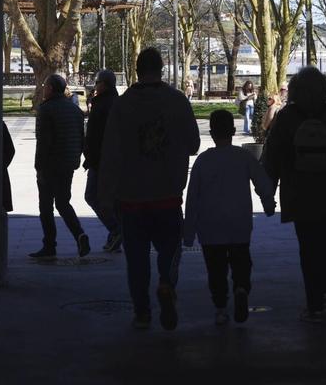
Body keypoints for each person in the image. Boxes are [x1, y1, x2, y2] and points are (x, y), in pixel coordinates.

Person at [98, 48, 201, 331]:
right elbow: (193, 144)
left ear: (137, 69)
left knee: (137, 258)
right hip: (167, 194)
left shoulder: (123, 105)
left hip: (131, 196)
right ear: (163, 68)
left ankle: (142, 312)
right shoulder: (177, 101)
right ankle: (167, 283)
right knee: (169, 249)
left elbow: (110, 153)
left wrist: (105, 194)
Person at [262, 66, 326, 322]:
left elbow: (272, 156)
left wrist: (267, 192)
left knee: (306, 244)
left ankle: (313, 300)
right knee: (324, 237)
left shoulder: (286, 118)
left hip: (297, 189)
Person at [183, 110, 276, 326]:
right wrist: (269, 205)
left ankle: (221, 308)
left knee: (216, 270)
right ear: (233, 131)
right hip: (239, 223)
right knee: (241, 262)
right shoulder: (243, 157)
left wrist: (189, 233)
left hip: (210, 227)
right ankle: (241, 288)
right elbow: (263, 183)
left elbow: (192, 199)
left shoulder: (203, 162)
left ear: (211, 132)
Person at [30, 74, 91, 259]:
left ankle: (49, 245)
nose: (43, 89)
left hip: (49, 165)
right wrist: (75, 158)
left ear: (50, 88)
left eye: (45, 86)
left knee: (46, 206)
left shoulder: (46, 110)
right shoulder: (74, 110)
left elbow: (44, 142)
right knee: (63, 203)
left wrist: (38, 166)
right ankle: (79, 234)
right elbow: (81, 138)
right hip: (67, 163)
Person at [83, 69, 123, 252]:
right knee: (112, 200)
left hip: (100, 160)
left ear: (104, 84)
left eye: (97, 82)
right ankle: (115, 235)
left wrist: (90, 156)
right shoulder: (115, 102)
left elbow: (97, 135)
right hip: (108, 159)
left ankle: (116, 230)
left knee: (92, 196)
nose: (95, 85)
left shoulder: (103, 104)